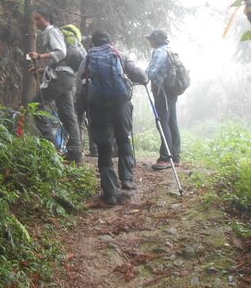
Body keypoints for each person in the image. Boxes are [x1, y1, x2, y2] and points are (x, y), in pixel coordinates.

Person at [77, 31, 147, 205]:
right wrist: (143, 79)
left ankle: (110, 192)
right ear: (110, 42)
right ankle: (128, 181)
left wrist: (80, 110)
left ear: (92, 44)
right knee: (124, 139)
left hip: (98, 108)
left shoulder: (87, 59)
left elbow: (81, 85)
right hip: (120, 105)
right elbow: (140, 76)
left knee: (104, 146)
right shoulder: (120, 56)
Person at [28, 9, 82, 162]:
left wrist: (39, 56)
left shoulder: (52, 31)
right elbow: (57, 61)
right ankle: (75, 153)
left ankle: (50, 146)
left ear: (45, 18)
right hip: (66, 77)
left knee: (35, 105)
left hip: (60, 77)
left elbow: (61, 52)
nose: (36, 22)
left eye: (37, 19)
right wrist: (39, 70)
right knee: (68, 115)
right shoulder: (53, 33)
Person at [145, 29, 181, 170]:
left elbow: (152, 71)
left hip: (163, 92)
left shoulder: (160, 52)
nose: (149, 42)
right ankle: (175, 157)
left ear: (157, 40)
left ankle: (166, 158)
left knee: (162, 122)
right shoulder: (169, 50)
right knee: (171, 122)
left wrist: (141, 77)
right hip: (171, 91)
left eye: (151, 39)